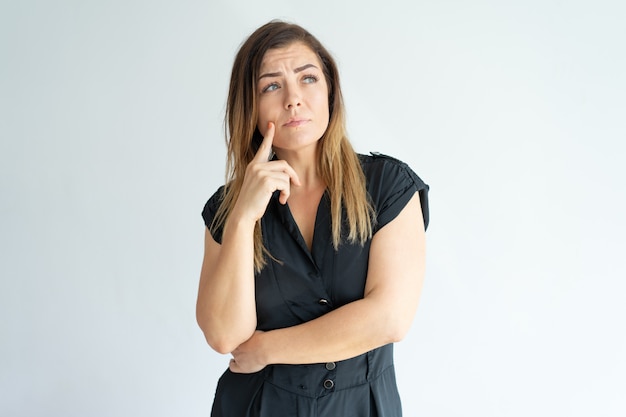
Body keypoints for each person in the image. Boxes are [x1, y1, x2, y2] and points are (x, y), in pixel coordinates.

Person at [196, 20, 429, 417]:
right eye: (271, 85)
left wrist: (267, 348)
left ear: (330, 91)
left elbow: (389, 318)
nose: (293, 99)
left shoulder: (387, 185)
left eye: (307, 79)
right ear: (249, 107)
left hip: (362, 406)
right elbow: (223, 335)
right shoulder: (227, 208)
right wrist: (241, 219)